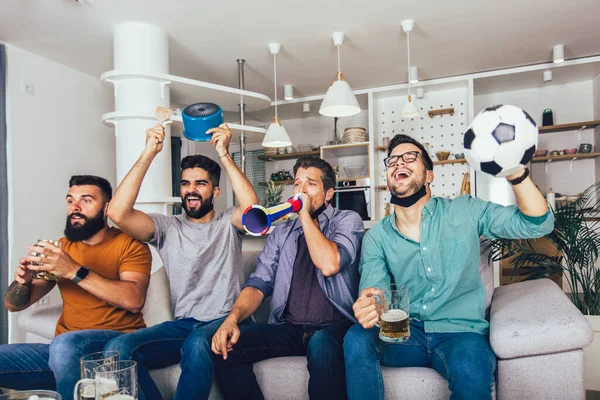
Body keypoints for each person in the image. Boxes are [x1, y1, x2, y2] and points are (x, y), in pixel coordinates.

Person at [343, 134, 555, 400]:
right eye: (392, 161)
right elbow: (377, 291)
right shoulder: (376, 237)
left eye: (410, 157)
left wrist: (516, 174)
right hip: (406, 335)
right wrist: (371, 305)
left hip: (461, 335)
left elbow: (538, 224)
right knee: (356, 338)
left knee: (471, 369)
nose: (399, 163)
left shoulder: (466, 210)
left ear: (429, 175)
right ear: (388, 176)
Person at [104, 122, 258, 400]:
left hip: (226, 321)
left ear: (216, 191)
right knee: (117, 350)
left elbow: (251, 209)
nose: (191, 190)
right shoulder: (166, 227)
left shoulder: (229, 223)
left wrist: (224, 153)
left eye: (201, 183)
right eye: (186, 183)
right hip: (184, 324)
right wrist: (149, 152)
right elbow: (117, 212)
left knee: (197, 344)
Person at [212, 156, 365, 400]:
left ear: (328, 193)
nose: (301, 191)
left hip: (335, 327)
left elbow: (329, 264)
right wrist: (232, 319)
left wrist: (303, 214)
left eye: (310, 184)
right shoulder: (282, 232)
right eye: (297, 184)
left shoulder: (347, 220)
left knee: (321, 346)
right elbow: (259, 283)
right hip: (290, 328)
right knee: (226, 348)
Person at [0, 175, 152, 400]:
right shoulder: (62, 247)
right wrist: (23, 281)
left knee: (64, 345)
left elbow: (133, 299)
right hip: (64, 354)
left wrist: (73, 270)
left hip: (113, 346)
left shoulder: (130, 245)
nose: (75, 207)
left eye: (86, 200)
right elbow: (13, 305)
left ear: (107, 207)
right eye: (70, 200)